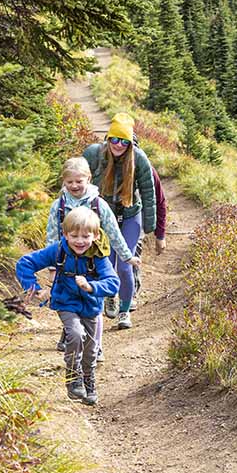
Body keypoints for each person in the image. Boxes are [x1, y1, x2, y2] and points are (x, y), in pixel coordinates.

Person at [16, 207, 119, 405]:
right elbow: (25, 263)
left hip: (91, 306)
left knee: (91, 350)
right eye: (74, 236)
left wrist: (91, 286)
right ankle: (73, 376)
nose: (80, 241)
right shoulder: (58, 251)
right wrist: (35, 288)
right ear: (65, 234)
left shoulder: (98, 257)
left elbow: (113, 283)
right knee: (75, 333)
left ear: (95, 236)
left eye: (85, 236)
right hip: (66, 302)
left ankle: (88, 379)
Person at [47, 156, 140, 361]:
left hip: (94, 263)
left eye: (79, 181)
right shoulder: (59, 205)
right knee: (69, 302)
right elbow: (52, 235)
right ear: (64, 181)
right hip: (67, 263)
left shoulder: (99, 204)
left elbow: (114, 233)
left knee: (93, 306)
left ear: (88, 178)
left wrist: (127, 257)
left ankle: (95, 347)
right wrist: (52, 265)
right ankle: (72, 334)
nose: (74, 186)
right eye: (69, 182)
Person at [83, 113, 156, 329]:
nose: (118, 145)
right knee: (106, 261)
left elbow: (148, 191)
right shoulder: (94, 155)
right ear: (108, 138)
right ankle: (110, 296)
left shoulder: (139, 158)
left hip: (130, 215)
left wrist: (151, 224)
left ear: (130, 142)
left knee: (125, 264)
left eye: (124, 141)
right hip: (102, 217)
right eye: (114, 139)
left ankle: (125, 310)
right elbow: (79, 183)